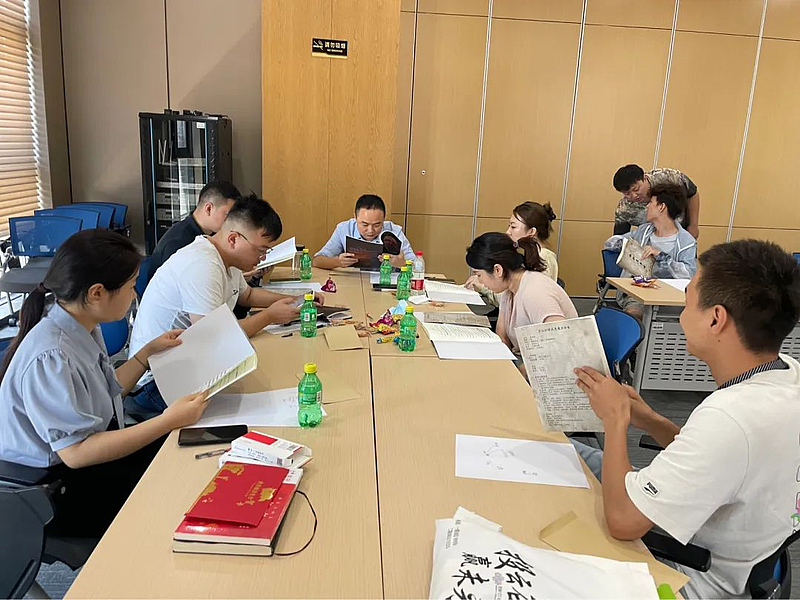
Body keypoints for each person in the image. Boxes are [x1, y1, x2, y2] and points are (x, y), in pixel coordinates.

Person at [571, 239, 800, 599]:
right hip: (731, 539)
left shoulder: (729, 416)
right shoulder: (787, 373)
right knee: (567, 456)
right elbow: (721, 456)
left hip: (686, 576)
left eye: (688, 298)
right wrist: (650, 419)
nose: (681, 311)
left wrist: (615, 420)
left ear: (715, 318)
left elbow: (623, 522)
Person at [0, 230, 209, 537]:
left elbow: (106, 392)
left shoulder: (80, 322)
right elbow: (77, 453)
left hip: (85, 459)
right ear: (96, 293)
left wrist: (147, 354)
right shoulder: (52, 355)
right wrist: (167, 420)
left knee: (184, 457)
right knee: (171, 488)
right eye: (130, 286)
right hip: (52, 489)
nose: (134, 295)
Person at [129, 194, 324, 413]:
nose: (263, 258)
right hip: (157, 383)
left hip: (191, 364)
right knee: (264, 398)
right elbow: (215, 337)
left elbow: (247, 295)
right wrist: (270, 316)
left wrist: (298, 299)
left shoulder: (226, 257)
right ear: (233, 239)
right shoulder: (202, 265)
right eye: (261, 251)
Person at [465, 232, 577, 358]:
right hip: (528, 360)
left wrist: (522, 368)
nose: (480, 281)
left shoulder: (535, 292)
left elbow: (561, 343)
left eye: (479, 275)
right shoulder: (508, 289)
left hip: (560, 363)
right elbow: (502, 336)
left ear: (498, 270)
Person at [607, 182, 697, 319]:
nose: (647, 206)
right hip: (638, 292)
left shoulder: (686, 242)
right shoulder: (644, 231)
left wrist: (661, 256)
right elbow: (611, 243)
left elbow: (688, 274)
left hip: (668, 296)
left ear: (661, 207)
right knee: (634, 315)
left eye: (650, 202)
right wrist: (628, 246)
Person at [466, 202, 560, 307]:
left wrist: (483, 286)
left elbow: (521, 301)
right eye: (509, 226)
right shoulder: (524, 252)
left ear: (532, 231)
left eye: (513, 227)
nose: (508, 232)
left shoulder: (544, 257)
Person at [146, 180, 240, 284]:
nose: (232, 221)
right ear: (209, 209)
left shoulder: (212, 233)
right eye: (228, 215)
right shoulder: (178, 243)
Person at [313, 194, 414, 269]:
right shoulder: (344, 229)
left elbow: (418, 266)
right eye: (365, 224)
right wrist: (337, 262)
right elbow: (317, 261)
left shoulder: (395, 231)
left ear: (384, 219)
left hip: (385, 282)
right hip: (352, 282)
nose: (370, 231)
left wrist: (402, 264)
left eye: (377, 225)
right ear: (355, 217)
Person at [613, 164, 701, 239]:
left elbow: (692, 193)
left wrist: (693, 225)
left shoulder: (668, 177)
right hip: (653, 244)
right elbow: (619, 239)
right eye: (627, 193)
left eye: (636, 189)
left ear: (645, 178)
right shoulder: (624, 210)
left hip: (682, 234)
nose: (634, 195)